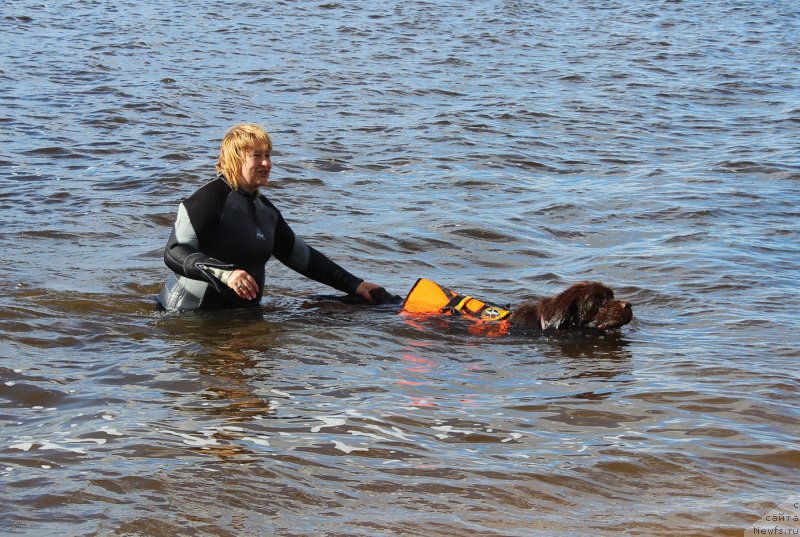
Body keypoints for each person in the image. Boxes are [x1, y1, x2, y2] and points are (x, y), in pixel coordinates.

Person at [157, 123, 382, 311]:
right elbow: (175, 251)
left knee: (340, 309)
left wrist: (356, 285)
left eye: (268, 155)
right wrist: (226, 274)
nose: (266, 163)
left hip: (239, 315)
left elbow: (303, 257)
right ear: (235, 159)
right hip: (187, 316)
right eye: (257, 156)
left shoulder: (266, 211)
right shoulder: (208, 199)